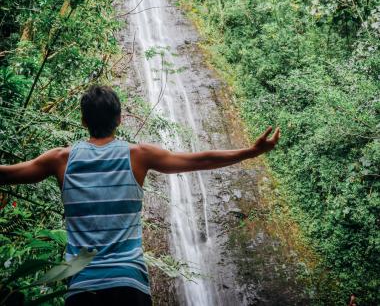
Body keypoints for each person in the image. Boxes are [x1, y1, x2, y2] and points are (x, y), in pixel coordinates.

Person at [0, 85, 280, 305]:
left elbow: (9, 174)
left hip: (81, 285)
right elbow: (200, 160)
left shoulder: (61, 159)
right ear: (120, 119)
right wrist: (250, 151)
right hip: (129, 284)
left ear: (83, 120)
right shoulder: (138, 156)